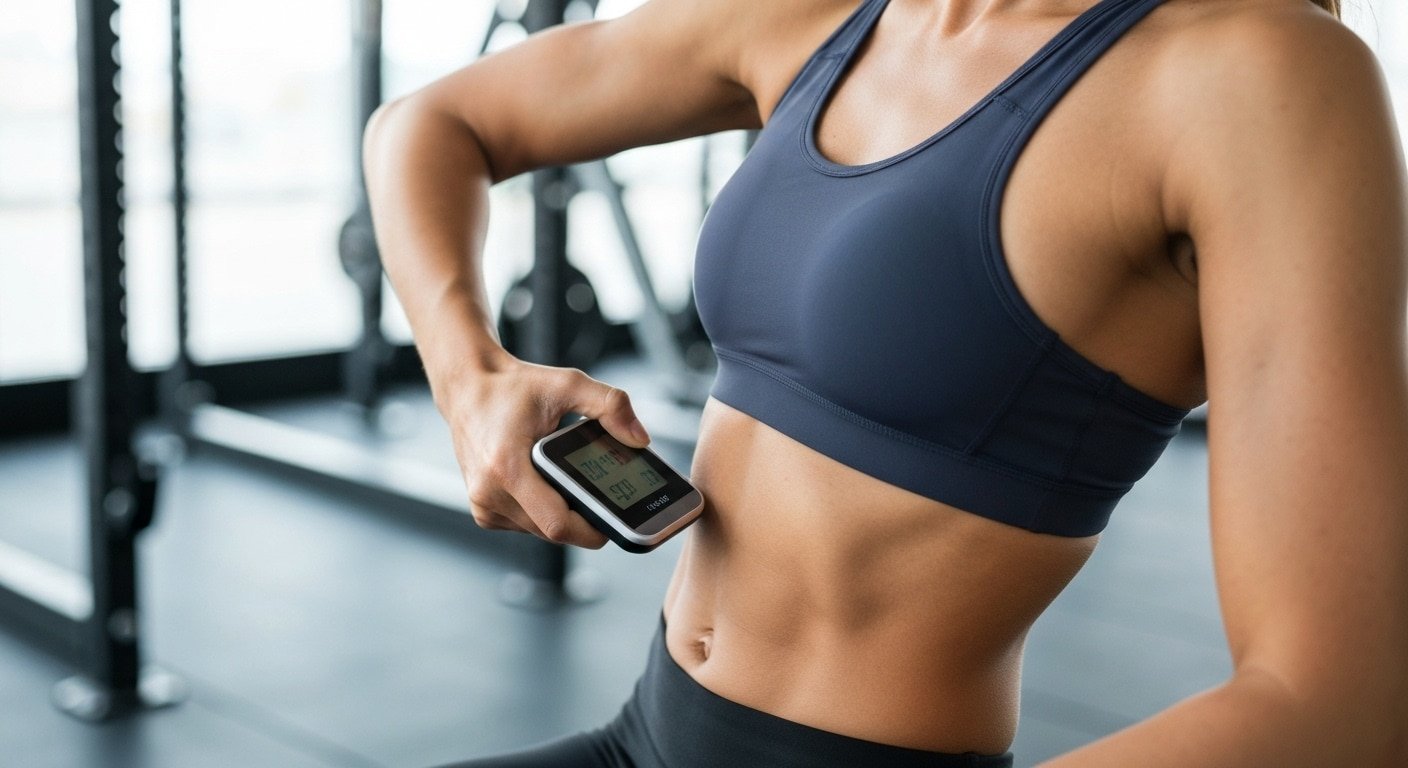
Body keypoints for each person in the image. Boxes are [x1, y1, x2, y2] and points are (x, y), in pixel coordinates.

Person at [363, 0, 1408, 764]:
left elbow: (1343, 706)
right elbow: (429, 124)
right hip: (643, 735)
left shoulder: (1253, 72)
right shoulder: (833, 14)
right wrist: (471, 380)